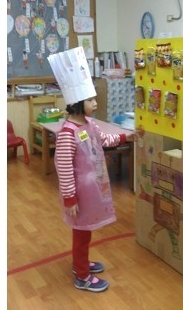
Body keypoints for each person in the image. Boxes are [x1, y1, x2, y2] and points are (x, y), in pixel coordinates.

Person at [54, 95, 136, 292]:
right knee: (81, 233)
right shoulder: (67, 133)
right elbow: (64, 168)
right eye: (90, 100)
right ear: (76, 103)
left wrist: (125, 138)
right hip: (79, 193)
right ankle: (82, 276)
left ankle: (80, 263)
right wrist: (70, 198)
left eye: (94, 99)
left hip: (92, 190)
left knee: (85, 230)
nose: (95, 103)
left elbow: (103, 140)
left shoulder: (89, 123)